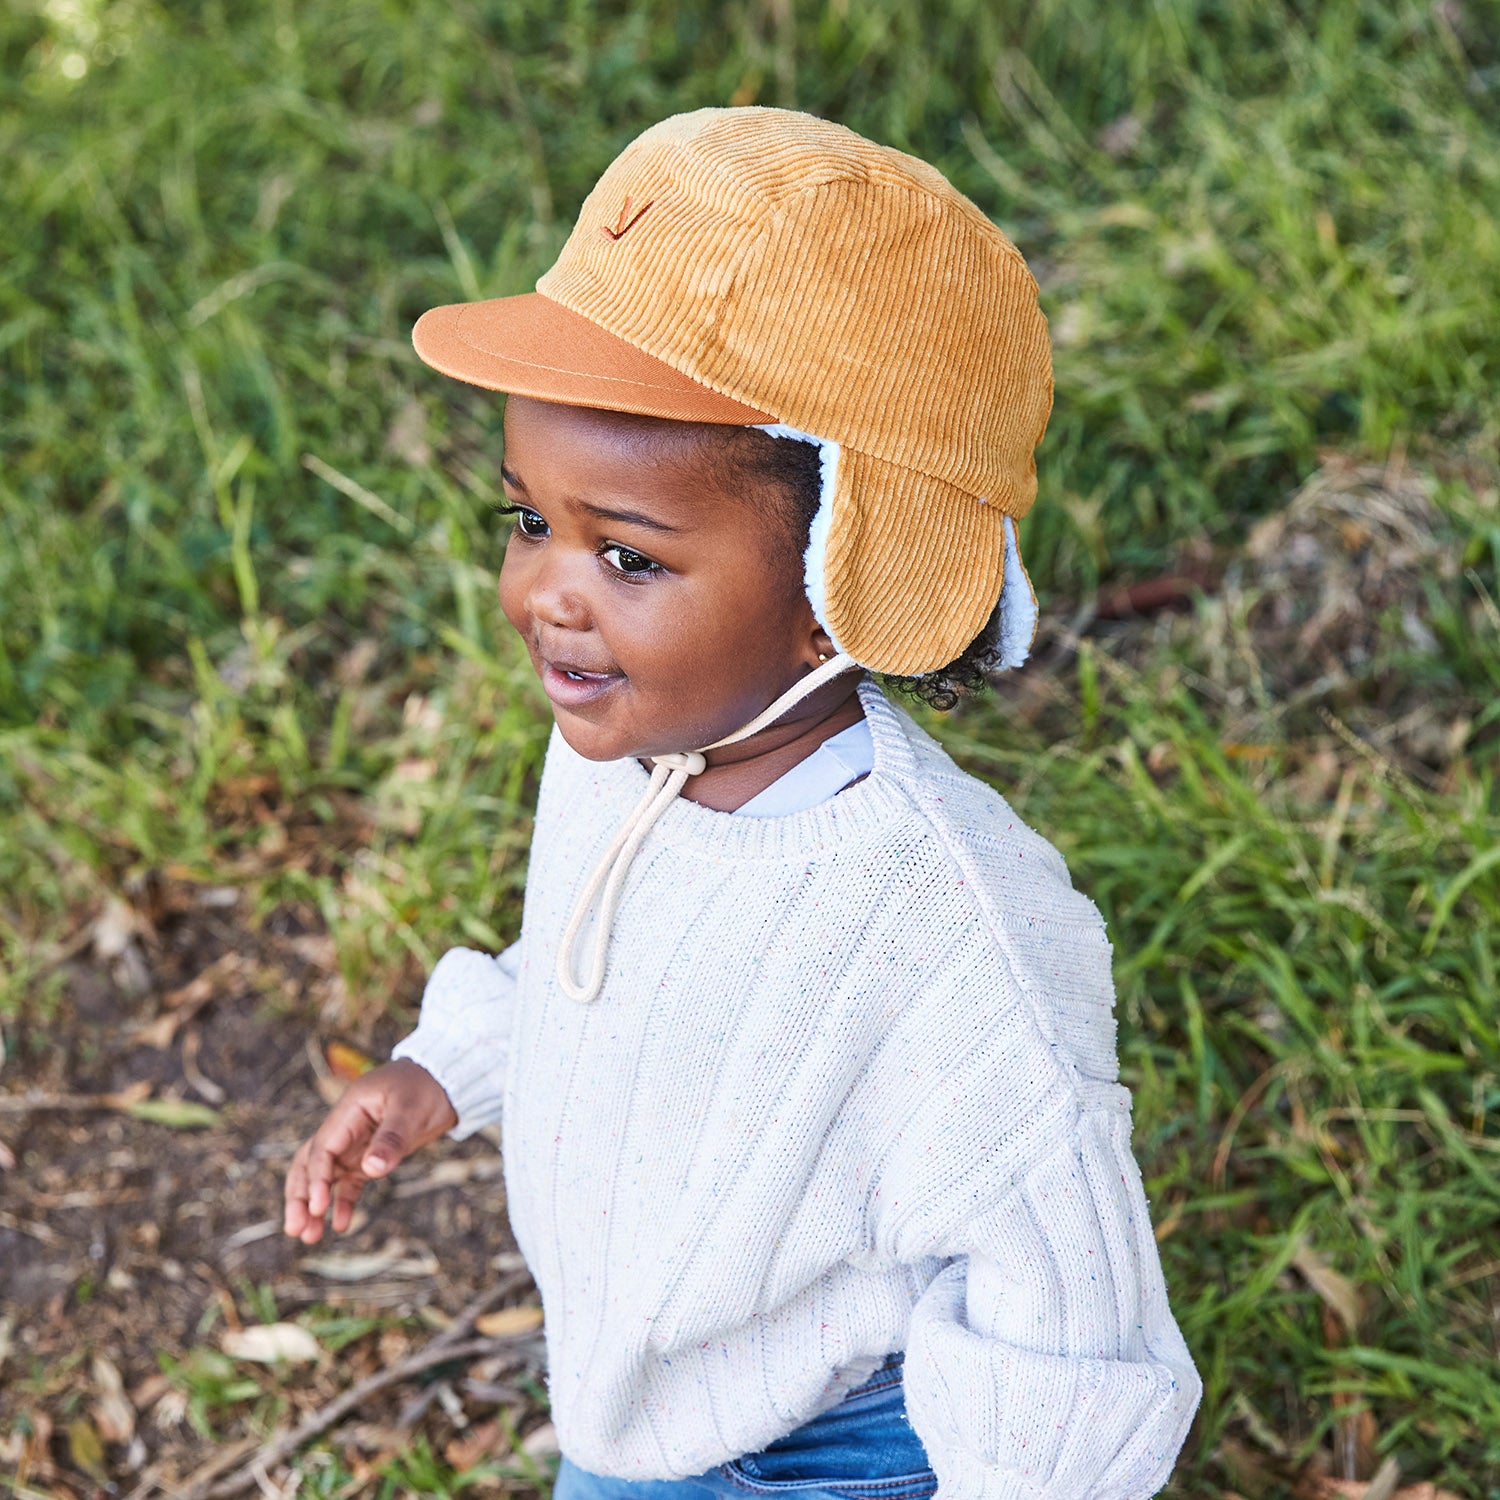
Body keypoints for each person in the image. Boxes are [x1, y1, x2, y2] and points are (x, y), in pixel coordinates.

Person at [283, 107, 1201, 1500]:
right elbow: (613, 980)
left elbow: (1060, 1296)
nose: (546, 594)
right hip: (643, 1418)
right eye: (528, 520)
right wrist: (447, 1072)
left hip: (830, 1454)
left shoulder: (953, 936)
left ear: (845, 589)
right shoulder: (634, 752)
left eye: (628, 557)